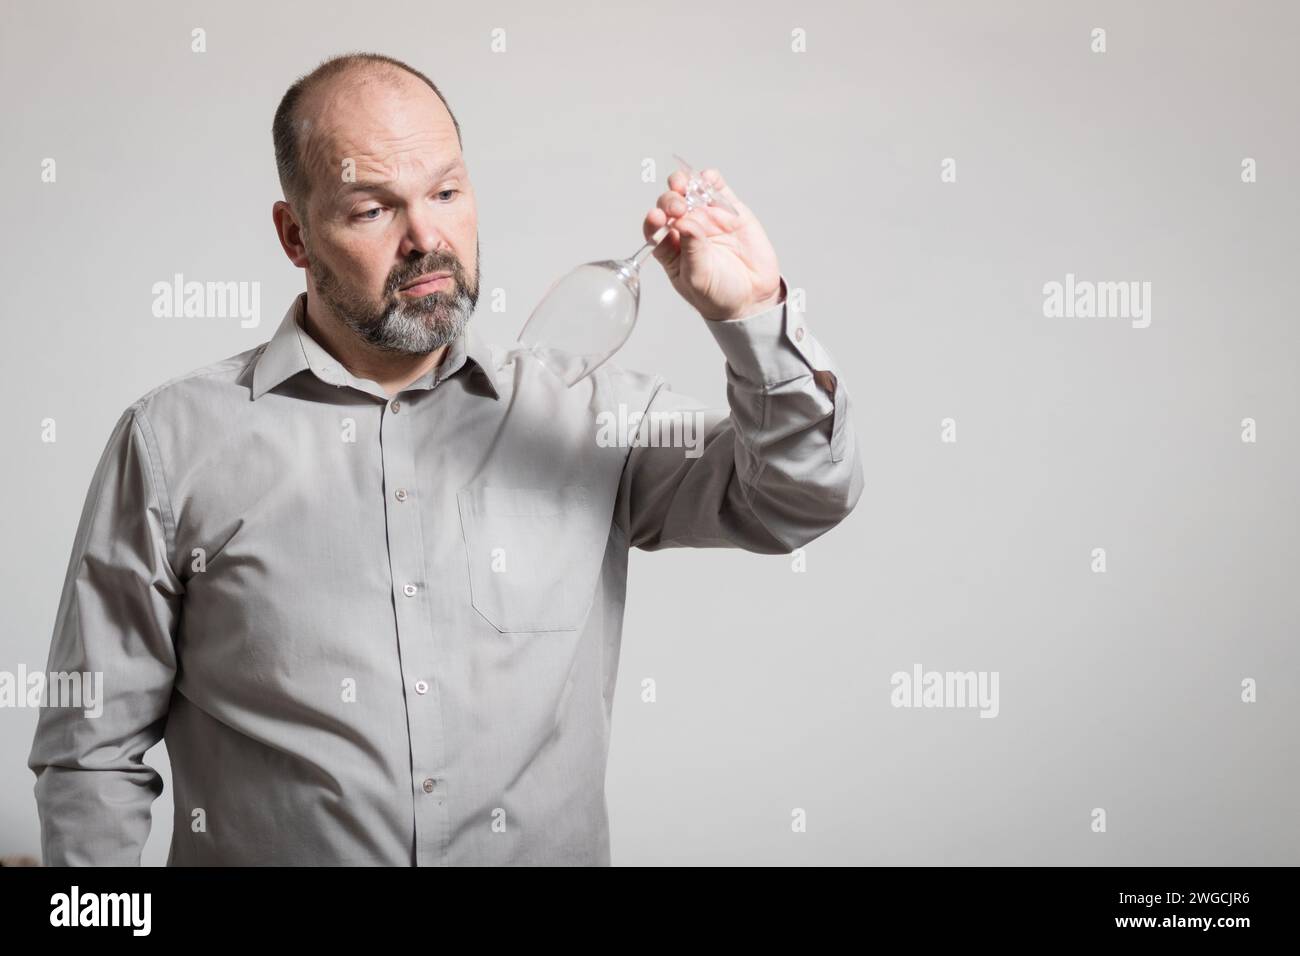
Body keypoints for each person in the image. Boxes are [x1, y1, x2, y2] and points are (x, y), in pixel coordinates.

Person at [28, 52, 863, 865]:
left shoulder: (589, 416)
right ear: (294, 235)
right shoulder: (173, 442)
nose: (426, 237)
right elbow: (89, 754)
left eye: (447, 192)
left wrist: (752, 315)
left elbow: (800, 495)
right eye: (371, 210)